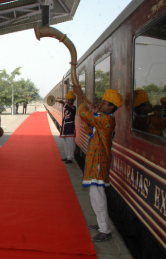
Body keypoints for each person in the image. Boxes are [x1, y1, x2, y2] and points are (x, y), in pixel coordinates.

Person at [73, 86, 123, 242]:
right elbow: (89, 127)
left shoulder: (107, 119)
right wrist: (94, 112)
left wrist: (80, 95)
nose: (101, 104)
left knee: (98, 196)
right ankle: (102, 224)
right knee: (95, 195)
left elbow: (83, 114)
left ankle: (105, 231)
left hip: (99, 161)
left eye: (104, 103)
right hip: (95, 159)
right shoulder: (102, 118)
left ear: (111, 107)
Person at [56, 91, 76, 164]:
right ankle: (67, 156)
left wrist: (63, 103)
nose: (68, 101)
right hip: (66, 127)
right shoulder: (67, 107)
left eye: (70, 100)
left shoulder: (73, 108)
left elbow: (70, 110)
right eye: (68, 100)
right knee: (66, 143)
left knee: (70, 143)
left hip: (70, 127)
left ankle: (70, 157)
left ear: (73, 101)